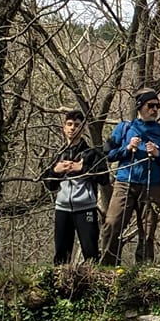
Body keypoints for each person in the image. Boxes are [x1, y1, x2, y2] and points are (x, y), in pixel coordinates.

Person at [103, 86, 160, 263]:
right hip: (125, 182)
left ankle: (144, 268)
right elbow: (108, 154)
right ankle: (107, 265)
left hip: (152, 185)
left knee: (148, 228)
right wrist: (127, 148)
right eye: (150, 105)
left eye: (157, 106)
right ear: (140, 106)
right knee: (113, 223)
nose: (154, 110)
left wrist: (159, 155)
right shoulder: (124, 128)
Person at [40, 108, 108, 264]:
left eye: (77, 125)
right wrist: (55, 171)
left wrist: (83, 169)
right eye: (69, 124)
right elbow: (49, 185)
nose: (72, 128)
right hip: (62, 209)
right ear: (63, 128)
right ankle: (60, 286)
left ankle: (91, 284)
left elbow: (105, 179)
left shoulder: (91, 153)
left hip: (85, 208)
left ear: (82, 128)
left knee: (90, 253)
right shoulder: (57, 154)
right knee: (61, 255)